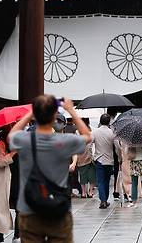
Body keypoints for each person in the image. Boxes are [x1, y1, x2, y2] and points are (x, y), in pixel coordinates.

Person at [9, 95, 91, 243]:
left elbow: (12, 135)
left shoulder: (25, 140)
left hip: (29, 209)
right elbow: (87, 136)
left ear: (35, 115)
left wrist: (30, 112)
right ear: (54, 115)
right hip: (58, 208)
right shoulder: (65, 141)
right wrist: (71, 110)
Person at [93, 113, 116, 209]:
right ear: (109, 122)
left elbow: (89, 143)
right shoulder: (112, 132)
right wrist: (119, 156)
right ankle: (105, 200)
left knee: (101, 181)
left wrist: (92, 156)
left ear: (100, 121)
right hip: (109, 160)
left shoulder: (95, 132)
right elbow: (117, 147)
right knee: (106, 181)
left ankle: (103, 201)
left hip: (99, 159)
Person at [71, 118, 95, 198]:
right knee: (91, 175)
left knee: (83, 175)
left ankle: (84, 193)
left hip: (81, 156)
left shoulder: (77, 132)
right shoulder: (90, 132)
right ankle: (90, 192)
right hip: (89, 156)